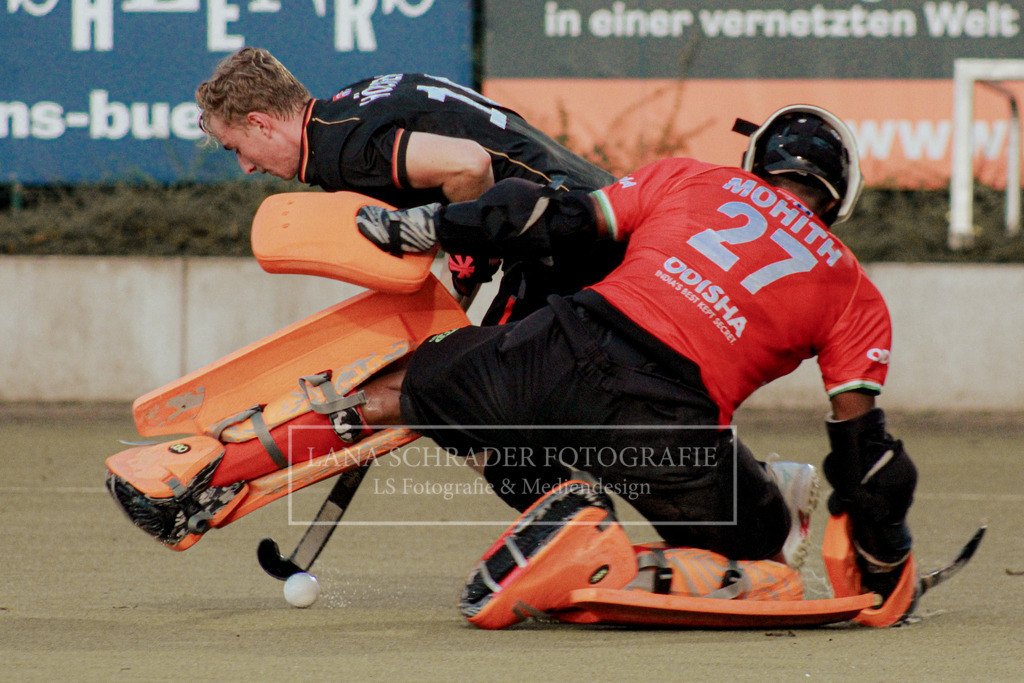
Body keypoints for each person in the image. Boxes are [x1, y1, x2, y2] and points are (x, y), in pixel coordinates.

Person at [344, 104, 917, 603]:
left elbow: (555, 218)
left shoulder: (693, 177)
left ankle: (564, 515)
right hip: (666, 427)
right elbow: (865, 460)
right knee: (766, 542)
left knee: (429, 385)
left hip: (556, 352)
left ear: (756, 159)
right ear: (841, 197)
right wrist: (887, 565)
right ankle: (676, 546)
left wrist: (438, 224)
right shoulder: (854, 290)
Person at [194, 46, 622, 324]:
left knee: (479, 398)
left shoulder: (340, 151)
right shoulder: (351, 101)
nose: (247, 167)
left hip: (566, 234)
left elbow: (468, 166)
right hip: (597, 205)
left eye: (237, 147)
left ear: (260, 124)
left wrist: (468, 259)